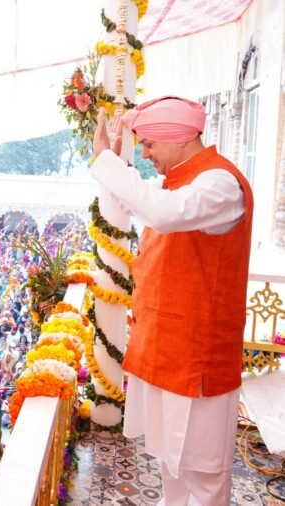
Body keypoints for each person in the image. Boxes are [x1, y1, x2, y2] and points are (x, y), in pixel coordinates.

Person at [92, 98, 252, 506]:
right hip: (164, 349)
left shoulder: (220, 184)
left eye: (149, 144)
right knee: (170, 463)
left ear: (178, 138)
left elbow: (162, 213)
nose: (145, 154)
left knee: (203, 475)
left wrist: (110, 166)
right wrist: (112, 166)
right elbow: (129, 206)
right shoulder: (178, 182)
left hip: (198, 360)